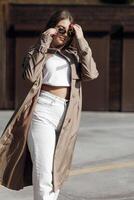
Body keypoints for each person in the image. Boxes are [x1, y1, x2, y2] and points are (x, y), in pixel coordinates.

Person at [0, 9, 99, 200]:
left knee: (56, 175)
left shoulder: (73, 56)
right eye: (60, 29)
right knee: (44, 173)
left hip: (67, 116)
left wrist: (80, 39)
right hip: (42, 113)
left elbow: (92, 74)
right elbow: (30, 76)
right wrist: (45, 41)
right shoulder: (37, 51)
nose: (64, 34)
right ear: (51, 28)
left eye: (68, 31)